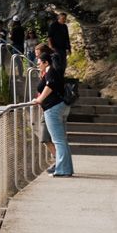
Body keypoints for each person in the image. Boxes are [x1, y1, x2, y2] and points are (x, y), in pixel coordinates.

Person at [34, 45, 73, 177]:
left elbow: (49, 86)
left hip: (53, 109)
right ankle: (66, 168)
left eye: (39, 63)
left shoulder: (51, 71)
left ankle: (63, 170)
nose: (38, 65)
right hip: (58, 107)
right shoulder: (53, 71)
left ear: (46, 62)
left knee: (58, 140)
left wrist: (40, 99)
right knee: (62, 140)